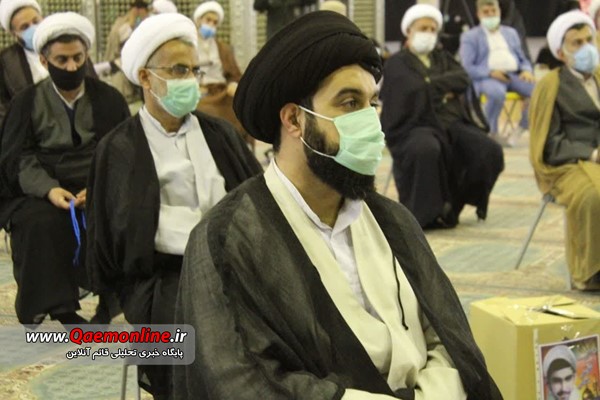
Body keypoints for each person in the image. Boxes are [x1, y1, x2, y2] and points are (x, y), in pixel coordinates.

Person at [174, 10, 502, 399]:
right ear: (294, 120)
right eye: (349, 103)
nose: (370, 122)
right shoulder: (227, 239)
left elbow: (448, 338)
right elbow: (243, 381)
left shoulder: (392, 220)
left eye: (372, 103)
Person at [86, 13, 261, 399]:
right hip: (161, 277)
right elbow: (120, 237)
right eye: (179, 70)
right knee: (189, 333)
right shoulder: (119, 148)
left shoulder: (219, 134)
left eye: (194, 70)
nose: (190, 80)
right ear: (146, 77)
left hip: (233, 266)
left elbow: (256, 202)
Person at [0, 12, 130, 327]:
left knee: (118, 215)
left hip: (97, 181)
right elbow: (18, 157)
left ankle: (112, 302)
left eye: (77, 58)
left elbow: (122, 152)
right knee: (39, 222)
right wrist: (49, 190)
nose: (71, 67)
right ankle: (59, 306)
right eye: (62, 60)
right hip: (44, 186)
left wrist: (97, 187)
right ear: (45, 61)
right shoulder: (26, 102)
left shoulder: (109, 99)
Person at [381, 4, 504, 229]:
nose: (428, 33)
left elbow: (462, 78)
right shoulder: (397, 63)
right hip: (413, 126)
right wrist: (441, 89)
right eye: (423, 28)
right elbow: (409, 91)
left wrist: (430, 85)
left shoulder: (442, 57)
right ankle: (424, 216)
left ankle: (453, 203)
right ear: (409, 31)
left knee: (489, 151)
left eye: (432, 29)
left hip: (450, 123)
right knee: (427, 148)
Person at [529, 10, 600, 291]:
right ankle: (591, 271)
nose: (586, 48)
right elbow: (548, 143)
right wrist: (592, 154)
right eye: (576, 43)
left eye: (588, 40)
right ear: (561, 52)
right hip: (568, 164)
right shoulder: (551, 85)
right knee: (594, 195)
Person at [0, 0, 97, 126]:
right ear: (14, 33)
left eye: (36, 21)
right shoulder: (6, 62)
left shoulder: (70, 47)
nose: (33, 28)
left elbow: (93, 86)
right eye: (24, 27)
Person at [460, 0, 535, 141]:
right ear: (479, 14)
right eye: (486, 12)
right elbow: (467, 67)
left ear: (499, 12)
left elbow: (523, 58)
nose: (491, 15)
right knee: (496, 93)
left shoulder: (511, 33)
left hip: (512, 75)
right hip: (488, 77)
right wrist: (490, 72)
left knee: (539, 91)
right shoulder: (470, 37)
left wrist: (527, 70)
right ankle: (490, 133)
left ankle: (521, 127)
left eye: (493, 11)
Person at [192, 1, 251, 147]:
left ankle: (240, 151)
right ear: (199, 21)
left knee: (244, 109)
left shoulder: (222, 48)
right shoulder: (189, 46)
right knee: (206, 112)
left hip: (221, 92)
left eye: (214, 22)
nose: (211, 24)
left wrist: (233, 85)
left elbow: (235, 75)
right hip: (199, 93)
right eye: (208, 20)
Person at [99, 0, 150, 103]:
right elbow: (119, 39)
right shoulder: (123, 22)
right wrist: (131, 23)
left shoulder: (151, 21)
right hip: (123, 69)